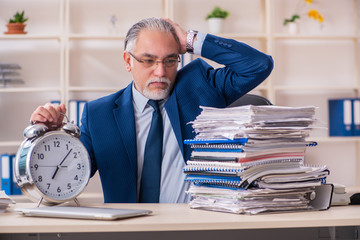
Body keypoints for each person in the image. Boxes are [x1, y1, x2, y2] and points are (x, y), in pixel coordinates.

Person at [30, 18, 273, 203]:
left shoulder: (200, 86)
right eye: (148, 60)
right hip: (129, 231)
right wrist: (52, 139)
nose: (160, 72)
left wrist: (190, 40)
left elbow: (258, 65)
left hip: (198, 225)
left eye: (169, 60)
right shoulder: (99, 115)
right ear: (128, 61)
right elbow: (62, 181)